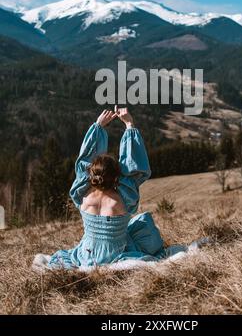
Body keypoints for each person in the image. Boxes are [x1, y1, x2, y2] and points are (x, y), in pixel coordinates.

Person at [35, 107, 205, 271]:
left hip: (86, 255)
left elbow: (84, 162)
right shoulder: (124, 198)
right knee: (142, 228)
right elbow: (132, 167)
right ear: (117, 176)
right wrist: (129, 125)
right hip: (114, 255)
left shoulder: (82, 194)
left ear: (92, 173)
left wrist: (98, 126)